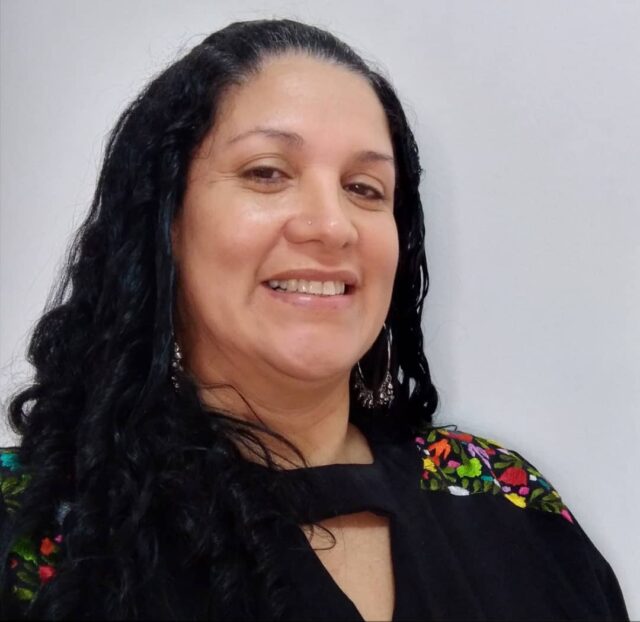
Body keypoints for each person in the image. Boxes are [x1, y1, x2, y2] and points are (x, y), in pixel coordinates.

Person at [0, 18, 628, 621]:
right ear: (163, 221)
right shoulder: (38, 528)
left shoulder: (514, 509)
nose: (332, 225)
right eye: (267, 173)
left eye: (364, 188)